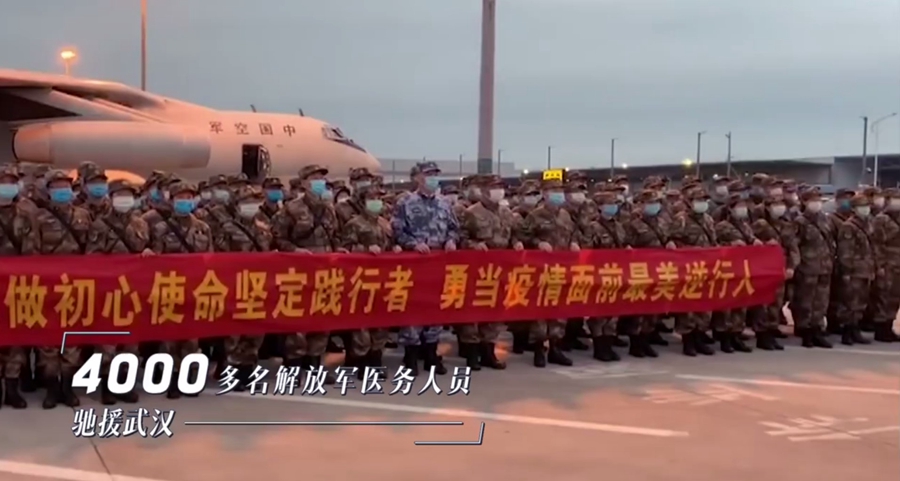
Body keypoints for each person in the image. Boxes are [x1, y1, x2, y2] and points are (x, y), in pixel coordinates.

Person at [27, 170, 92, 409]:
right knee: (49, 339)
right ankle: (52, 388)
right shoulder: (38, 218)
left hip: (75, 285)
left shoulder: (83, 215)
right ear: (49, 190)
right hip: (48, 286)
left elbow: (91, 250)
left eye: (65, 185)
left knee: (71, 338)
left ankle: (68, 386)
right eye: (57, 186)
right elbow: (32, 251)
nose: (62, 190)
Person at [271, 165, 341, 383]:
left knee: (321, 320)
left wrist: (339, 250)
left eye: (322, 177)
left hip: (325, 272)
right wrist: (295, 250)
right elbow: (277, 238)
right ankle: (292, 368)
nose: (319, 181)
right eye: (314, 177)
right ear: (303, 183)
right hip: (298, 272)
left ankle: (314, 366)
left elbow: (335, 237)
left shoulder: (328, 209)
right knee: (298, 321)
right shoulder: (291, 209)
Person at [391, 161, 458, 376]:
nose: (433, 178)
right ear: (417, 178)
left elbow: (454, 228)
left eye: (435, 174)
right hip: (415, 263)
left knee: (435, 307)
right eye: (428, 174)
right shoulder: (405, 202)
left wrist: (451, 240)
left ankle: (431, 353)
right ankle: (411, 355)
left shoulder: (444, 203)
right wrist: (413, 244)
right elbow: (397, 231)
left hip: (438, 262)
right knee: (413, 307)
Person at [86, 179, 149, 404]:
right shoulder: (100, 225)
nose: (124, 199)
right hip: (110, 291)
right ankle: (107, 386)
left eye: (128, 195)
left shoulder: (141, 224)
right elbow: (92, 258)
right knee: (107, 342)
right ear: (111, 198)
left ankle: (124, 383)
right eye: (120, 195)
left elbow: (147, 252)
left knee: (131, 341)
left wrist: (148, 255)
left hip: (134, 291)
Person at [149, 181, 213, 398]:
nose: (185, 201)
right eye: (180, 198)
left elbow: (210, 258)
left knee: (192, 337)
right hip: (170, 287)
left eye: (189, 198)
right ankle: (171, 378)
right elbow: (156, 259)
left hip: (195, 288)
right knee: (169, 337)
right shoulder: (161, 228)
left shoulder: (203, 228)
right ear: (172, 200)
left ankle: (190, 377)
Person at [458, 174, 522, 370]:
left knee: (494, 309)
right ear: (484, 190)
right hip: (477, 269)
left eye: (500, 187)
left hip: (500, 268)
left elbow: (513, 234)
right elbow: (461, 237)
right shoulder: (471, 213)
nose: (498, 191)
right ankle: (471, 353)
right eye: (494, 187)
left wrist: (516, 243)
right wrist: (473, 245)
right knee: (473, 310)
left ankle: (488, 351)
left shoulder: (506, 213)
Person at [214, 185, 273, 389]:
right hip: (236, 284)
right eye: (246, 202)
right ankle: (232, 374)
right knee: (235, 333)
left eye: (254, 202)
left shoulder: (263, 229)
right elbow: (219, 257)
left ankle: (248, 371)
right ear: (237, 205)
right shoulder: (226, 228)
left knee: (255, 332)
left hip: (258, 285)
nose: (251, 206)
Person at [340, 185, 400, 378]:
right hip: (361, 279)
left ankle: (376, 360)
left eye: (379, 199)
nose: (377, 202)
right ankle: (361, 363)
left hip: (382, 279)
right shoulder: (354, 223)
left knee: (380, 323)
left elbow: (390, 244)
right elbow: (345, 249)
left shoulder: (384, 223)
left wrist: (395, 248)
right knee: (361, 325)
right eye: (372, 198)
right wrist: (364, 249)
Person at [520, 176, 578, 367]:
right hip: (541, 269)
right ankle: (539, 349)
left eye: (560, 191)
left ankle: (555, 348)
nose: (558, 194)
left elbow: (572, 233)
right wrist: (538, 243)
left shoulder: (565, 215)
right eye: (554, 191)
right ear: (545, 194)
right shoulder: (535, 215)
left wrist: (574, 243)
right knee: (540, 310)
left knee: (559, 310)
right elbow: (523, 237)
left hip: (562, 269)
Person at [669, 187, 717, 357]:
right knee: (688, 306)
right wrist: (690, 250)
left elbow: (714, 242)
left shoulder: (708, 220)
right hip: (688, 269)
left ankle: (699, 338)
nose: (702, 203)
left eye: (704, 200)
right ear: (689, 202)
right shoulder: (681, 219)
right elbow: (673, 243)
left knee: (704, 306)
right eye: (698, 200)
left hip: (706, 268)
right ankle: (688, 342)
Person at [0, 164, 30, 409]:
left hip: (18, 285)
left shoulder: (25, 214)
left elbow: (32, 250)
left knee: (16, 337)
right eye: (3, 181)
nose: (8, 186)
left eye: (11, 182)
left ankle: (12, 387)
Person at [790, 187, 834, 348]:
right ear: (804, 202)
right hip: (807, 268)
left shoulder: (824, 220)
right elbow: (794, 246)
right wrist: (796, 265)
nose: (816, 203)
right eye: (812, 200)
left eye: (818, 200)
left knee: (821, 301)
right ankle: (805, 331)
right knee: (805, 301)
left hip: (824, 266)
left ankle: (817, 329)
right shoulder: (799, 222)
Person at [834, 194, 876, 345]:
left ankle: (855, 328)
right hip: (854, 271)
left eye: (867, 206)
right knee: (850, 302)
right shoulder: (849, 226)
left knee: (861, 302)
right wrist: (847, 271)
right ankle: (847, 331)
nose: (865, 209)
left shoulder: (868, 224)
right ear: (854, 209)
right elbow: (845, 252)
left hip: (865, 269)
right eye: (861, 206)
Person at [870, 188, 900, 342]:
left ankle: (889, 325)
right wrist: (879, 264)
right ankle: (881, 328)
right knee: (884, 296)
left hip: (897, 263)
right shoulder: (881, 219)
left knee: (895, 297)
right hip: (887, 262)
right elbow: (877, 244)